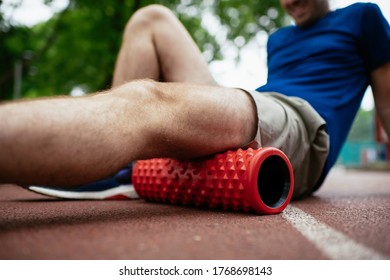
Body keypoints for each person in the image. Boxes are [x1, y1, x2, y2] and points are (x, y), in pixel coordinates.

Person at [0, 0, 389, 200]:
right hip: (263, 105)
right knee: (150, 18)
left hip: (302, 124)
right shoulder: (279, 40)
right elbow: (262, 110)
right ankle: (120, 168)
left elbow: (386, 104)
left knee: (147, 103)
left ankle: (108, 164)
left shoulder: (364, 17)